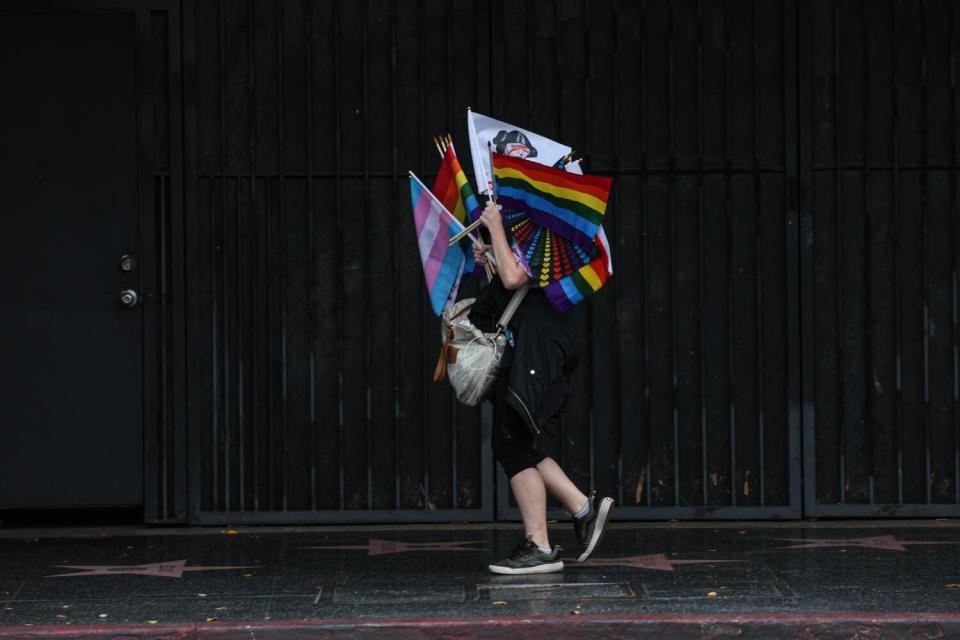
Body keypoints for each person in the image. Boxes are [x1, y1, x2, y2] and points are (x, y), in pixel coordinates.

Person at [468, 200, 614, 575]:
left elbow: (518, 279)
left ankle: (542, 545)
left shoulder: (546, 230)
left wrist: (496, 226)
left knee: (511, 444)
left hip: (537, 349)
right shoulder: (530, 230)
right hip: (529, 348)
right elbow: (510, 278)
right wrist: (490, 256)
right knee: (516, 443)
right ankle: (582, 508)